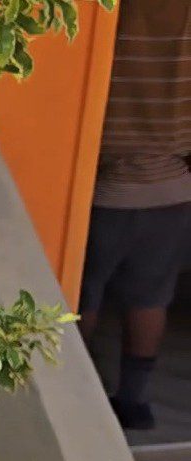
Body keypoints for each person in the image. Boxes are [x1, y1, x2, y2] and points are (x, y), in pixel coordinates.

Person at [77, 0, 191, 431]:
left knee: (83, 294)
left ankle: (78, 392)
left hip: (106, 188)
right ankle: (136, 401)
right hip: (174, 189)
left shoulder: (107, 14)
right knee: (151, 298)